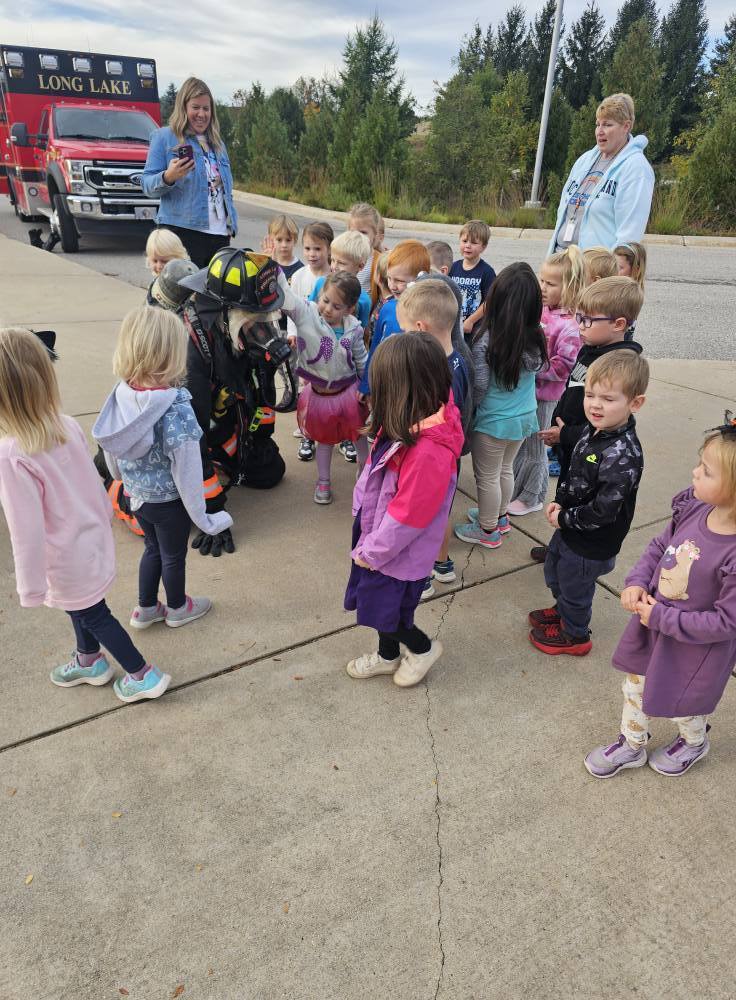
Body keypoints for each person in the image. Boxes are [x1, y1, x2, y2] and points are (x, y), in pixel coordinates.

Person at [0, 328, 171, 704]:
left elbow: (24, 530)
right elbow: (94, 484)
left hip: (63, 555)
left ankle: (143, 674)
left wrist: (29, 586)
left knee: (93, 613)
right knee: (80, 605)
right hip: (89, 538)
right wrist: (103, 521)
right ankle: (89, 658)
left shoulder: (13, 453)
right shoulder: (65, 424)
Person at [584, 418, 736, 778]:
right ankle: (631, 742)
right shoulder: (696, 508)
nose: (694, 472)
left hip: (695, 647)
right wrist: (637, 581)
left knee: (685, 703)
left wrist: (664, 619)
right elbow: (659, 548)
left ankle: (694, 741)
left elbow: (727, 622)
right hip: (652, 626)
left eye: (707, 471)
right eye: (700, 463)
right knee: (635, 687)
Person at [93, 306, 232, 633]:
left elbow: (111, 447)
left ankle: (145, 608)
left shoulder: (122, 394)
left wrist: (122, 482)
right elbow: (187, 469)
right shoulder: (175, 406)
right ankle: (178, 607)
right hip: (170, 502)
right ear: (172, 355)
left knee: (152, 549)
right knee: (173, 556)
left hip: (137, 497)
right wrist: (205, 517)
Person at [344, 333, 463, 687]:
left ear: (402, 390)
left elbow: (409, 515)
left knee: (387, 611)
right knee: (380, 605)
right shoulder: (406, 420)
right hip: (378, 534)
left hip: (396, 550)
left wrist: (374, 550)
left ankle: (423, 648)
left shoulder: (428, 452)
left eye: (380, 387)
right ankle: (387, 655)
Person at [529, 351, 649, 656]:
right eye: (591, 394)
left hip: (592, 541)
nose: (595, 404)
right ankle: (563, 608)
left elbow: (603, 511)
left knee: (575, 585)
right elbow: (573, 474)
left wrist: (565, 519)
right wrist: (558, 502)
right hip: (571, 527)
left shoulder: (623, 454)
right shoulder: (593, 430)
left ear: (635, 403)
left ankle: (575, 635)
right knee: (555, 570)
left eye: (608, 399)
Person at [177, 248, 289, 554]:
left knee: (269, 472)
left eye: (267, 318)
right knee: (169, 513)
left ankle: (223, 463)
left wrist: (260, 441)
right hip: (181, 438)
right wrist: (211, 510)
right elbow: (190, 433)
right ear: (225, 312)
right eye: (255, 320)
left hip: (219, 419)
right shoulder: (190, 347)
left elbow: (260, 399)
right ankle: (121, 489)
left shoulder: (236, 333)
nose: (264, 328)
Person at [536, 276, 645, 562]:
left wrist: (566, 435)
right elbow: (573, 387)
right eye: (578, 317)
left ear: (619, 324)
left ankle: (570, 544)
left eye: (587, 320)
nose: (580, 325)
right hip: (572, 443)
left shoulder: (617, 363)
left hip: (588, 447)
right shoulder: (591, 347)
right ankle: (560, 541)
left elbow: (603, 423)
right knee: (568, 491)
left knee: (583, 497)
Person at [454, 263, 547, 550]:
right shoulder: (536, 335)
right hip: (524, 418)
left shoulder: (487, 340)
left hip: (493, 421)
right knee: (505, 469)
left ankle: (487, 529)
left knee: (487, 477)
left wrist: (470, 413)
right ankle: (500, 516)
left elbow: (480, 386)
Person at [397, 279, 471, 599]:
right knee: (441, 512)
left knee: (423, 517)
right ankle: (442, 564)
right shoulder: (461, 363)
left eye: (404, 331)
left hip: (430, 459)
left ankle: (422, 576)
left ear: (420, 328)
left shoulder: (433, 373)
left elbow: (424, 421)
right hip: (451, 456)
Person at [508, 246, 585, 516]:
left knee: (534, 446)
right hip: (528, 391)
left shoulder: (570, 326)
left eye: (550, 283)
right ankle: (519, 489)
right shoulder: (542, 311)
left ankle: (532, 497)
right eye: (541, 280)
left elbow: (562, 368)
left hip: (546, 396)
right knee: (522, 444)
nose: (542, 287)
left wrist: (530, 365)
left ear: (570, 287)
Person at [280, 271, 368, 505]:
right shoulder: (308, 315)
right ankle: (323, 481)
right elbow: (288, 298)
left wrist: (368, 387)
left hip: (349, 394)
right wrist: (275, 271)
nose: (328, 309)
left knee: (359, 435)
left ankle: (366, 472)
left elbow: (362, 360)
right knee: (325, 440)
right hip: (319, 396)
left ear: (349, 309)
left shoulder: (354, 329)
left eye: (336, 306)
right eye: (325, 300)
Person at [143, 77, 237, 268]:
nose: (201, 114)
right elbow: (147, 185)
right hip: (181, 233)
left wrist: (228, 226)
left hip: (219, 237)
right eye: (196, 107)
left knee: (212, 297)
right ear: (183, 107)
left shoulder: (218, 145)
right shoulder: (164, 137)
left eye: (206, 108)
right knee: (181, 295)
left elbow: (226, 193)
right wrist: (168, 177)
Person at [548, 93, 655, 255]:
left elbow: (629, 235)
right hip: (561, 261)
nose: (600, 131)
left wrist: (614, 275)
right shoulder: (584, 160)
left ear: (626, 126)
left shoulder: (636, 168)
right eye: (598, 124)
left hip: (596, 271)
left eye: (607, 125)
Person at [359, 240, 432, 397]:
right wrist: (366, 385)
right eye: (390, 278)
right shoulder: (387, 307)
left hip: (410, 388)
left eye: (399, 281)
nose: (392, 286)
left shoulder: (426, 315)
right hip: (384, 383)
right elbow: (375, 348)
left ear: (419, 279)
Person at [288, 222, 334, 461]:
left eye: (317, 248)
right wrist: (292, 332)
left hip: (328, 345)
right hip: (305, 345)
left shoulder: (334, 278)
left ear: (329, 250)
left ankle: (332, 430)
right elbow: (292, 308)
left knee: (329, 388)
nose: (311, 254)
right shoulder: (298, 276)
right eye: (307, 248)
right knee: (306, 389)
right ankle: (307, 433)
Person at [449, 221, 496, 336]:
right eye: (464, 241)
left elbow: (490, 301)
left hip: (475, 327)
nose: (468, 246)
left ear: (483, 247)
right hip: (453, 324)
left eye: (474, 242)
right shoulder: (453, 267)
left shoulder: (487, 272)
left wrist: (471, 320)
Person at [347, 202, 384, 305]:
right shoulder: (343, 255)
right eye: (353, 232)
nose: (358, 237)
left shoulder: (378, 260)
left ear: (375, 234)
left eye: (363, 232)